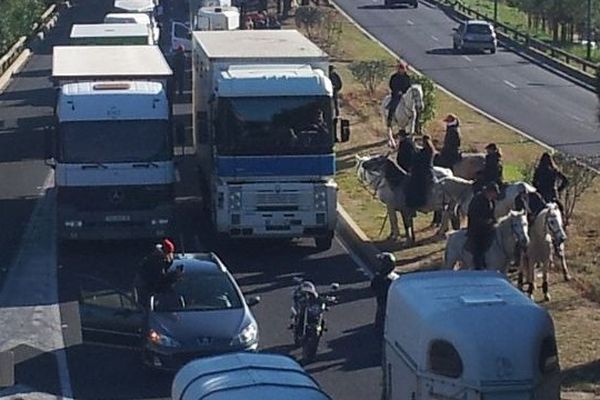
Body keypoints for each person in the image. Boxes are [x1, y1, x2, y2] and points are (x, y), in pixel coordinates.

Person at [136, 238, 178, 307]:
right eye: (169, 254)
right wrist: (172, 275)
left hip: (146, 283)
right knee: (144, 304)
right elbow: (159, 280)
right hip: (144, 286)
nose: (171, 256)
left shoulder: (160, 259)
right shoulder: (156, 262)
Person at [467, 183, 499, 269]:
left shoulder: (491, 201)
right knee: (479, 246)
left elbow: (492, 215)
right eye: (494, 193)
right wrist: (485, 222)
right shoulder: (477, 200)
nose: (495, 195)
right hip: (476, 228)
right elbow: (473, 215)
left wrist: (495, 222)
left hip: (488, 227)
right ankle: (478, 264)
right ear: (490, 192)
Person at [370, 252, 398, 335]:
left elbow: (373, 288)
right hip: (392, 305)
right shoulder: (396, 278)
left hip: (383, 305)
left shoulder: (380, 278)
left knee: (380, 324)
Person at [405, 135, 436, 209]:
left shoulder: (426, 152)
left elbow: (418, 159)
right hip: (427, 172)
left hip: (424, 174)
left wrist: (414, 148)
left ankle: (414, 204)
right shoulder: (430, 150)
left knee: (413, 185)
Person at [386, 62, 412, 129]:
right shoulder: (394, 77)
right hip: (396, 94)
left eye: (403, 69)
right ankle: (390, 119)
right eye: (401, 69)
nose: (402, 70)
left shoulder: (407, 77)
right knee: (394, 104)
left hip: (405, 94)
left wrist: (405, 92)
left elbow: (409, 86)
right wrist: (397, 91)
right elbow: (391, 85)